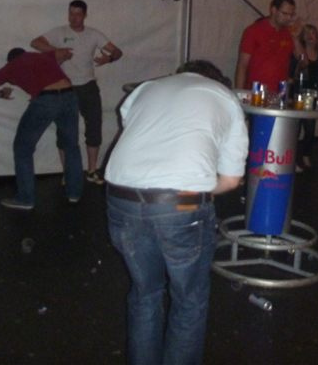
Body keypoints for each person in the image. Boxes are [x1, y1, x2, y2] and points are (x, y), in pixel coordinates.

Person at [105, 60, 248, 365]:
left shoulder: (147, 88)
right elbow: (231, 181)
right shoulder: (225, 98)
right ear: (217, 81)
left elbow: (131, 129)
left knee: (145, 293)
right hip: (181, 203)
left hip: (121, 197)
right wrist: (193, 193)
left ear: (180, 74)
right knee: (189, 300)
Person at [0, 48, 82, 210]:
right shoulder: (42, 56)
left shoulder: (12, 66)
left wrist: (0, 94)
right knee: (71, 146)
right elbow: (66, 53)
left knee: (23, 148)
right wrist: (55, 65)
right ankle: (74, 193)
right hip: (69, 96)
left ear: (11, 60)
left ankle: (25, 199)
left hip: (46, 100)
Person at [31, 0, 122, 185]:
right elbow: (35, 43)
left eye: (78, 14)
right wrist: (57, 51)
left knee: (94, 126)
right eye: (71, 13)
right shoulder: (60, 32)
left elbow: (117, 51)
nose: (74, 18)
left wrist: (109, 58)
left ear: (85, 15)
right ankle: (67, 172)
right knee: (65, 130)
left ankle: (92, 170)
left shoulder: (93, 34)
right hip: (65, 87)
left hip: (88, 86)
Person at [290, 24, 318, 171]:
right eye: (307, 33)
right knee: (295, 129)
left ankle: (306, 156)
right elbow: (292, 73)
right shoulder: (298, 52)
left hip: (313, 95)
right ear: (303, 37)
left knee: (310, 129)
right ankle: (292, 159)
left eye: (313, 33)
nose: (310, 36)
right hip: (298, 93)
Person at [234, 0, 303, 92]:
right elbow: (242, 65)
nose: (288, 18)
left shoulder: (289, 33)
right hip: (256, 91)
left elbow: (303, 61)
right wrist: (239, 93)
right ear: (273, 10)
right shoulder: (254, 31)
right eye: (285, 13)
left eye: (291, 15)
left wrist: (295, 38)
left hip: (280, 92)